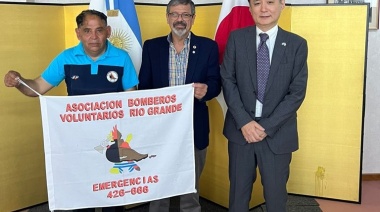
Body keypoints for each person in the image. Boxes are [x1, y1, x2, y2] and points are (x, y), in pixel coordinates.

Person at [3, 9, 138, 212]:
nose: (94, 37)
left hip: (112, 142)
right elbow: (37, 88)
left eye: (99, 30)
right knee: (82, 197)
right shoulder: (66, 58)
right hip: (77, 141)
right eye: (87, 31)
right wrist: (19, 82)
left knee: (113, 199)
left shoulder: (122, 58)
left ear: (108, 31)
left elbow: (133, 99)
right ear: (78, 33)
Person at [220, 0, 308, 211]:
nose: (264, 8)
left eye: (270, 2)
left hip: (277, 135)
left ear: (282, 5)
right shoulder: (236, 39)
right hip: (241, 133)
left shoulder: (297, 44)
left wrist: (266, 127)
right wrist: (244, 122)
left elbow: (296, 93)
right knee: (238, 199)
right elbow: (227, 80)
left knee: (276, 200)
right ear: (250, 8)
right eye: (257, 3)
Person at [138, 0, 221, 211]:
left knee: (190, 188)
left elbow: (216, 83)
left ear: (193, 18)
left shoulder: (208, 47)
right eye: (175, 14)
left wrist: (206, 90)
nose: (180, 20)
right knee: (158, 185)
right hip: (160, 129)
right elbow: (144, 87)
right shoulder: (151, 46)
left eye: (185, 15)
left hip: (194, 127)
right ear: (167, 17)